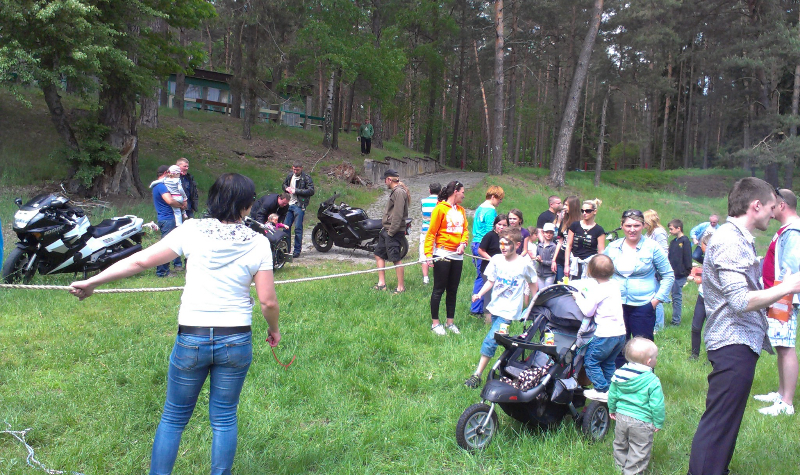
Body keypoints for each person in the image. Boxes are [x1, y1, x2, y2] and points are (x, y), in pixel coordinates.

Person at [69, 173, 280, 475]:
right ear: (247, 205)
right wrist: (274, 329)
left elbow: (140, 261)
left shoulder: (191, 230)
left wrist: (92, 282)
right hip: (235, 340)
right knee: (224, 418)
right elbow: (268, 302)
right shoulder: (258, 242)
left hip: (192, 337)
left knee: (173, 418)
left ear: (214, 198)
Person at [688, 178, 800, 475]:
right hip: (732, 342)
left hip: (738, 341)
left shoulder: (736, 237)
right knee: (719, 423)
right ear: (756, 206)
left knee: (726, 423)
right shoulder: (730, 240)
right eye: (772, 208)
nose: (773, 214)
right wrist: (788, 286)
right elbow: (740, 300)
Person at [464, 227, 537, 388]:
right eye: (501, 243)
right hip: (495, 307)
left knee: (491, 340)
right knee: (501, 339)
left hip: (509, 311)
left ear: (517, 245)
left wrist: (535, 301)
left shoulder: (523, 264)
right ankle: (512, 355)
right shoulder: (496, 260)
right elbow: (491, 280)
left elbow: (532, 282)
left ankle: (477, 375)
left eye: (507, 243)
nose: (503, 247)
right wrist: (479, 294)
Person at [603, 209, 674, 367]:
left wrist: (655, 301)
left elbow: (668, 275)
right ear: (622, 226)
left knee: (643, 350)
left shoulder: (652, 247)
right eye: (628, 225)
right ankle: (620, 379)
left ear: (643, 225)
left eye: (636, 225)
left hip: (643, 306)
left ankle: (644, 381)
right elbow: (601, 271)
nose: (632, 229)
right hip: (617, 305)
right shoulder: (613, 247)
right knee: (618, 347)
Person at [754, 188, 800, 416]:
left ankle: (787, 403)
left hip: (785, 298)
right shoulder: (786, 230)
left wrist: (781, 299)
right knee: (781, 346)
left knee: (786, 347)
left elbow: (791, 268)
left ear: (782, 205)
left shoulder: (794, 231)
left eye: (773, 204)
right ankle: (781, 394)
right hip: (779, 295)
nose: (770, 209)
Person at [608, 337, 665, 475]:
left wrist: (612, 409)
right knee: (639, 449)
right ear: (649, 362)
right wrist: (658, 421)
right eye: (656, 357)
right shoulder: (652, 380)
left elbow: (612, 394)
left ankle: (620, 467)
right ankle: (632, 472)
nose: (656, 359)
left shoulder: (619, 374)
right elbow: (657, 404)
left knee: (620, 443)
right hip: (642, 421)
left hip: (621, 417)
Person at [574, 255, 626, 401]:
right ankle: (612, 391)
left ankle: (601, 390)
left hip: (604, 335)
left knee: (591, 361)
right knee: (608, 363)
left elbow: (588, 311)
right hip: (620, 334)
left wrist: (578, 297)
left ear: (590, 271)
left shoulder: (597, 291)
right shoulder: (614, 285)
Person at [424, 181, 469, 335]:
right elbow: (431, 232)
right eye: (462, 192)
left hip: (457, 256)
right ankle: (435, 323)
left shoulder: (461, 210)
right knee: (439, 289)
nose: (464, 195)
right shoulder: (440, 209)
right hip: (442, 253)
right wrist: (428, 254)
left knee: (453, 290)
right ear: (455, 191)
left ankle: (450, 323)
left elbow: (465, 230)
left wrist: (463, 243)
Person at [373, 169, 410, 294]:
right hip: (386, 230)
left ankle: (401, 288)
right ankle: (381, 284)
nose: (385, 183)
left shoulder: (399, 192)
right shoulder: (396, 191)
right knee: (378, 254)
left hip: (393, 231)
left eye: (385, 180)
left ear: (389, 179)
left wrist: (391, 232)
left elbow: (398, 214)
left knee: (396, 259)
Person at [470, 186, 505, 316]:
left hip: (475, 242)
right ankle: (477, 308)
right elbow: (491, 230)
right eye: (499, 198)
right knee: (485, 276)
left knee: (481, 275)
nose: (500, 201)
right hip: (483, 245)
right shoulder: (490, 211)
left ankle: (478, 307)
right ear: (493, 197)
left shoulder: (480, 208)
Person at [150, 165, 186, 277]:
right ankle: (162, 272)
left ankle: (167, 269)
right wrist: (181, 205)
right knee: (166, 246)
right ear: (166, 172)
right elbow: (169, 201)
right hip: (167, 218)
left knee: (170, 244)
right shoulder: (161, 186)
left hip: (165, 218)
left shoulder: (157, 186)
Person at [475, 214, 509, 315]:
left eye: (504, 225)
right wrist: (492, 260)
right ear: (495, 224)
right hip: (488, 268)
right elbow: (481, 250)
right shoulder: (490, 235)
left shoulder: (507, 238)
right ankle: (488, 318)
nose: (501, 227)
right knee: (489, 294)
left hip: (503, 269)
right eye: (499, 224)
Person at [565, 199, 605, 279]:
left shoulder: (599, 230)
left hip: (590, 264)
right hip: (575, 263)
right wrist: (566, 265)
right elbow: (568, 246)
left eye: (588, 211)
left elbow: (601, 252)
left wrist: (599, 268)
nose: (584, 213)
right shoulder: (575, 225)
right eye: (582, 211)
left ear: (594, 211)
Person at [282, 161, 315, 258]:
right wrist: (286, 188)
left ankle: (297, 251)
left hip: (299, 205)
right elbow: (283, 184)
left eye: (297, 170)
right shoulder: (290, 176)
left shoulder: (306, 178)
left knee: (298, 228)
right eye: (294, 169)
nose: (295, 171)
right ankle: (286, 249)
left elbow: (311, 191)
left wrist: (296, 191)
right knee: (286, 227)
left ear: (301, 168)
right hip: (289, 204)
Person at [644, 209, 669, 331]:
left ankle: (658, 327)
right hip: (648, 268)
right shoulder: (649, 233)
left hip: (656, 269)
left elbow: (664, 251)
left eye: (644, 221)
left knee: (656, 297)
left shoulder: (659, 232)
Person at [689, 232, 712, 360]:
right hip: (702, 296)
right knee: (696, 327)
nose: (701, 249)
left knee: (711, 329)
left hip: (713, 299)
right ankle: (694, 355)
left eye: (702, 245)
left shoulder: (718, 260)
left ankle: (712, 357)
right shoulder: (706, 259)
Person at [667, 219, 692, 326]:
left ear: (679, 228)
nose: (670, 231)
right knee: (671, 296)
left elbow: (688, 257)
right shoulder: (673, 242)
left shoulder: (685, 241)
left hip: (679, 274)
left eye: (671, 229)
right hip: (671, 273)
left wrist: (686, 271)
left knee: (677, 297)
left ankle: (676, 321)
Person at [552, 196, 581, 282]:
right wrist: (554, 260)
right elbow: (560, 241)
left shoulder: (580, 223)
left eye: (566, 205)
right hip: (561, 258)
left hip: (574, 259)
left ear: (573, 206)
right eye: (564, 204)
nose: (564, 207)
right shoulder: (564, 221)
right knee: (560, 284)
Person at [420, 183, 441, 285]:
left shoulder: (423, 201)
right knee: (438, 253)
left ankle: (425, 278)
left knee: (424, 253)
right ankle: (438, 276)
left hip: (426, 231)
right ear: (440, 191)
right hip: (438, 231)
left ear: (429, 190)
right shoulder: (441, 203)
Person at [533, 222, 558, 289]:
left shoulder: (553, 247)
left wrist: (542, 261)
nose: (548, 234)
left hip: (549, 274)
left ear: (553, 234)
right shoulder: (539, 245)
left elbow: (552, 262)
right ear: (543, 233)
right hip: (540, 274)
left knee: (547, 291)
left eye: (551, 233)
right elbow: (537, 255)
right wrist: (537, 258)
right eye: (547, 232)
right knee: (541, 291)